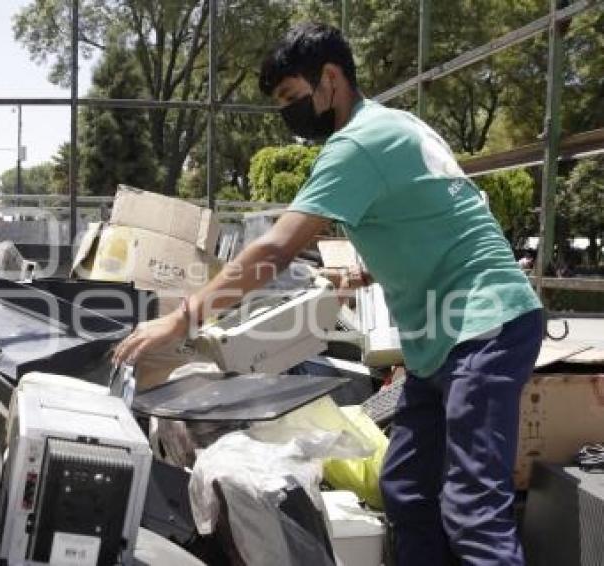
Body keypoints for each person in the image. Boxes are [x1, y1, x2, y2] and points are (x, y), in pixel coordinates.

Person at [113, 22, 543, 566]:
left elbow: (273, 251)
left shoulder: (358, 143)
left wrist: (179, 322)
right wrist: (367, 273)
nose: (290, 115)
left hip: (483, 329)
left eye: (293, 97)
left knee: (472, 510)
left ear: (331, 78)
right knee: (408, 489)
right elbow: (431, 216)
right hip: (446, 340)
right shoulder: (396, 124)